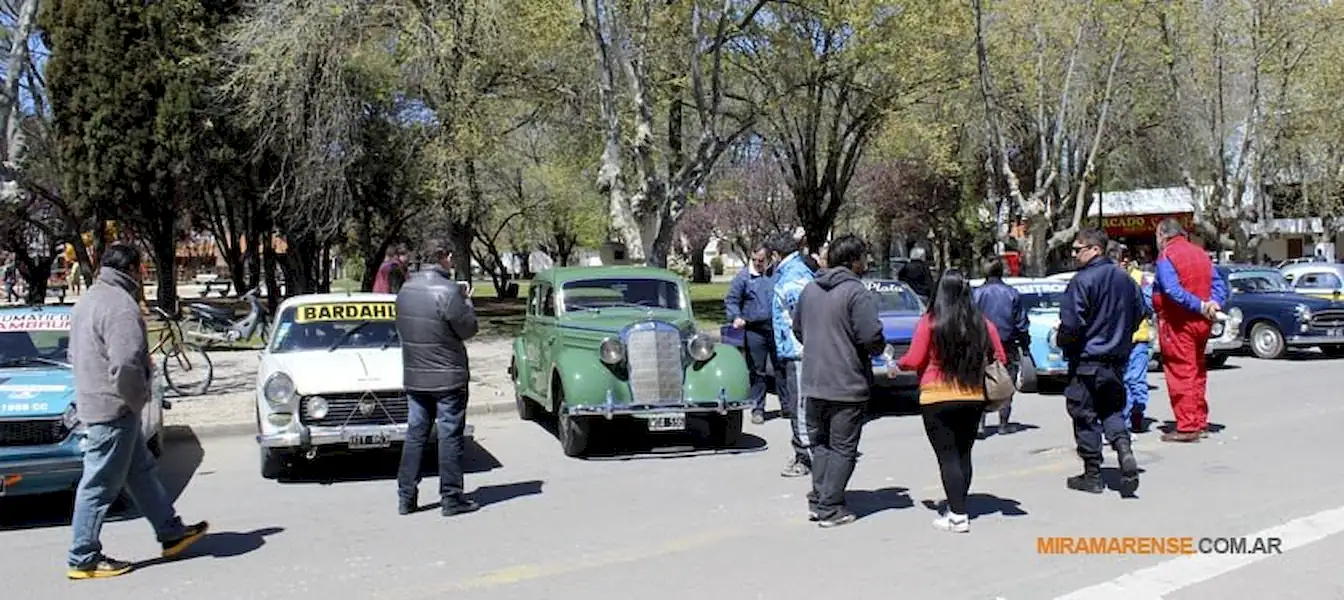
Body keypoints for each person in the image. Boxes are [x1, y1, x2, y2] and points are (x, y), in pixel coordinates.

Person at [66, 243, 208, 579]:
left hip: (97, 400)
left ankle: (171, 532)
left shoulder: (88, 300)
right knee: (99, 484)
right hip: (113, 409)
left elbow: (75, 354)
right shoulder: (121, 306)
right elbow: (127, 364)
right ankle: (82, 557)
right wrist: (138, 398)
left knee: (140, 473)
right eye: (142, 269)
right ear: (133, 269)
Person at [896, 270, 1007, 533]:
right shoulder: (982, 323)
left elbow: (913, 359)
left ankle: (957, 516)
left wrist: (896, 365)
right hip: (972, 396)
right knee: (963, 453)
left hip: (936, 397)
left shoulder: (930, 322)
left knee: (947, 458)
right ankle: (960, 506)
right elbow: (999, 356)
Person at [791, 235, 884, 527]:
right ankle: (830, 506)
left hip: (814, 380)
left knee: (820, 444)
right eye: (864, 258)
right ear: (854, 260)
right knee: (843, 447)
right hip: (846, 382)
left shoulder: (810, 290)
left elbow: (797, 329)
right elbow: (871, 337)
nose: (866, 263)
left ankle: (819, 499)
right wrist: (876, 349)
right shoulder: (856, 293)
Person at [394, 240, 480, 516]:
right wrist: (468, 302)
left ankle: (406, 496)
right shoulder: (449, 291)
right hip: (447, 377)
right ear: (444, 257)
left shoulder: (406, 290)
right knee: (449, 435)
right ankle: (451, 497)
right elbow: (468, 329)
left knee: (416, 434)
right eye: (450, 256)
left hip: (416, 376)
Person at [1058, 228, 1144, 495]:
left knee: (1084, 415)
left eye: (1078, 248)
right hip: (1115, 361)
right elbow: (1140, 312)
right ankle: (1123, 448)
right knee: (1112, 411)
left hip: (1087, 360)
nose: (1074, 254)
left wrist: (1064, 342)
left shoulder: (1082, 281)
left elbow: (1072, 324)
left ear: (1095, 249)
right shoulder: (1126, 280)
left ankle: (1093, 473)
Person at [1151, 218, 1228, 443]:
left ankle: (1187, 426)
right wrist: (1213, 303)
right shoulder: (1200, 253)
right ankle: (1199, 420)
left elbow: (1171, 290)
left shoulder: (1167, 256)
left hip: (1178, 322)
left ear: (1163, 235)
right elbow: (1219, 284)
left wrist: (1199, 305)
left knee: (1180, 372)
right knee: (1196, 371)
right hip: (1202, 322)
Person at [770, 232, 816, 478]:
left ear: (777, 255)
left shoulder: (792, 277)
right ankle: (805, 451)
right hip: (796, 348)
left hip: (798, 350)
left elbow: (803, 312)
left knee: (799, 405)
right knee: (801, 403)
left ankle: (806, 456)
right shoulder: (799, 272)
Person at [972, 257, 1029, 436]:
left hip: (981, 343)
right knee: (1006, 381)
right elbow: (1021, 322)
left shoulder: (976, 294)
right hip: (1007, 344)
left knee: (980, 382)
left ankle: (980, 423)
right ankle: (1003, 423)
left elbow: (970, 319)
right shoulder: (1012, 293)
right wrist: (1025, 344)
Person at [724, 244, 777, 425]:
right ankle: (758, 408)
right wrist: (736, 316)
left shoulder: (776, 275)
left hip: (776, 328)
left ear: (769, 259)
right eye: (754, 260)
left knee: (782, 368)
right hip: (754, 329)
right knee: (758, 371)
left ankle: (789, 407)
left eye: (761, 260)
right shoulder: (743, 277)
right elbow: (731, 300)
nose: (757, 263)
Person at [1112, 244, 1156, 433]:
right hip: (1116, 340)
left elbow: (1148, 305)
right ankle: (1125, 420)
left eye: (1123, 259)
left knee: (1136, 381)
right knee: (1120, 382)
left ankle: (1136, 415)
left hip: (1138, 339)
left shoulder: (1141, 279)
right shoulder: (1108, 278)